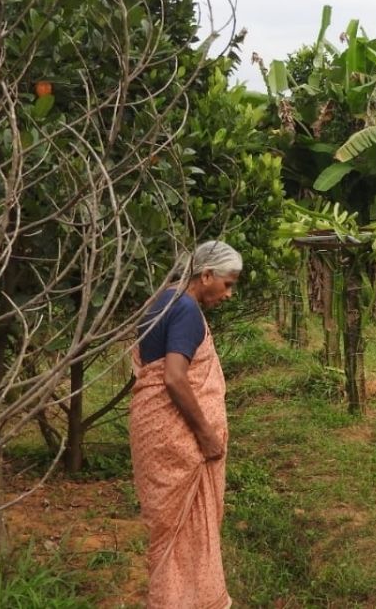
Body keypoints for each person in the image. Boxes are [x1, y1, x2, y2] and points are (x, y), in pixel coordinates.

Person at [129, 240, 241, 609]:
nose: (229, 294)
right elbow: (175, 377)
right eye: (227, 284)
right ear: (205, 275)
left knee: (170, 537)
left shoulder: (161, 300)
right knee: (186, 535)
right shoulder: (186, 309)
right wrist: (207, 435)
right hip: (179, 442)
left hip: (153, 432)